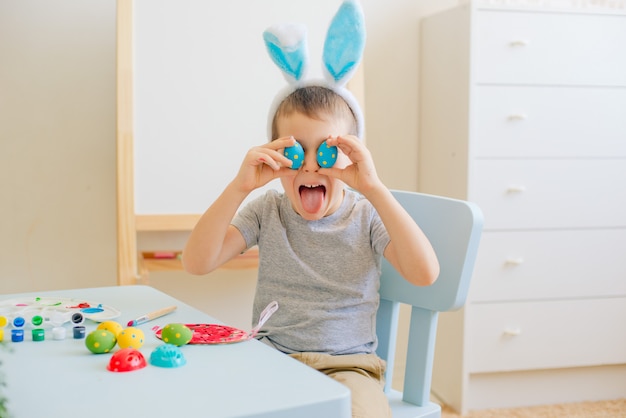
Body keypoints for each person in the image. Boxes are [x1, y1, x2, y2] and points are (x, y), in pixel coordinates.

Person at [183, 2, 439, 417]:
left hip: (349, 366)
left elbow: (424, 274)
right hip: (270, 358)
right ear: (275, 153)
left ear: (352, 153)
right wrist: (239, 186)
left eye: (327, 149)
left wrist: (373, 188)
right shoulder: (268, 209)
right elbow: (196, 262)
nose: (310, 164)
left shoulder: (365, 214)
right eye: (295, 150)